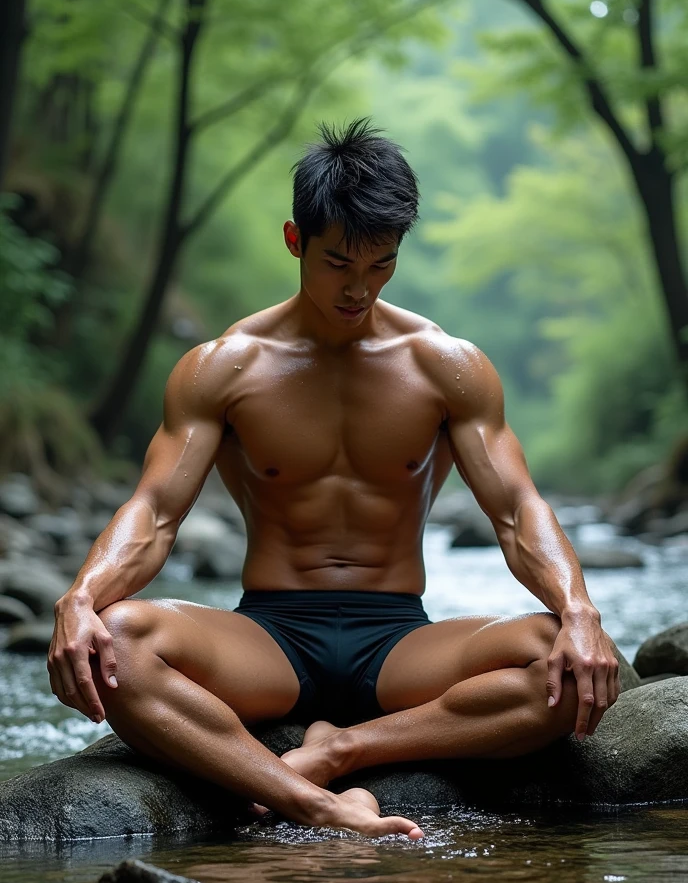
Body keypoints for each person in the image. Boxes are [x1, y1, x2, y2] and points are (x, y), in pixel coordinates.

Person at [48, 119, 619, 840]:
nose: (358, 287)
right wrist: (81, 598)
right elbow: (156, 512)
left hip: (399, 643)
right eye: (338, 262)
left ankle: (341, 751)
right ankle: (312, 802)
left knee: (563, 662)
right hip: (270, 639)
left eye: (381, 265)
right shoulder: (225, 366)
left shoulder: (445, 365)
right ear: (296, 240)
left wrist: (578, 610)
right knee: (119, 643)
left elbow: (515, 511)